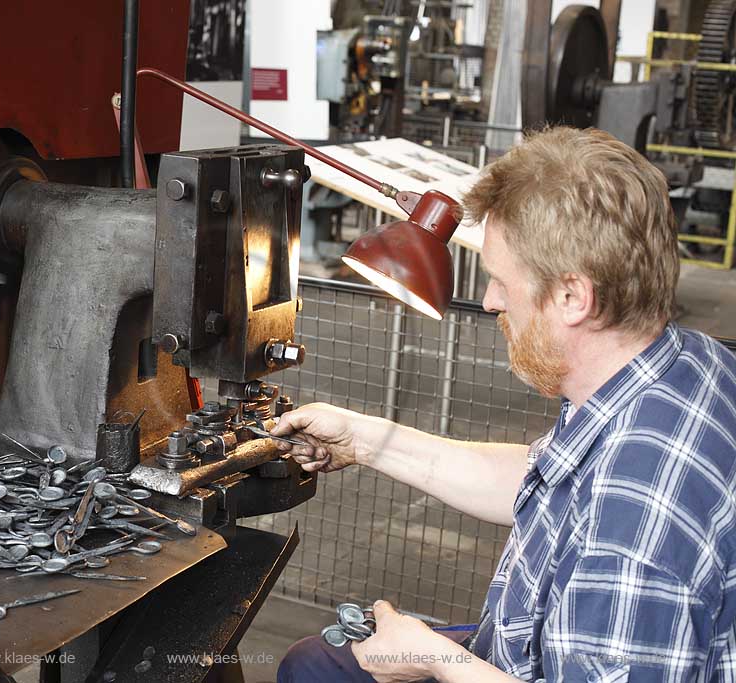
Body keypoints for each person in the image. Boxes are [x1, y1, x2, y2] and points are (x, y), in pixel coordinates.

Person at [273, 126, 736, 682]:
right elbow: (543, 483)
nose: (490, 300)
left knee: (315, 674)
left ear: (572, 297)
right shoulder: (684, 363)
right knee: (316, 662)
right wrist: (365, 439)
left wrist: (434, 659)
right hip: (523, 645)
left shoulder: (634, 517)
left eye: (500, 282)